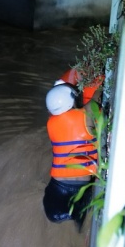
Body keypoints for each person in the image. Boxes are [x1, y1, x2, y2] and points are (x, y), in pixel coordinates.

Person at [42, 82, 98, 231]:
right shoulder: (86, 114)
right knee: (83, 219)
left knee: (56, 216)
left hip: (58, 190)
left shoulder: (51, 124)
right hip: (82, 187)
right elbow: (98, 95)